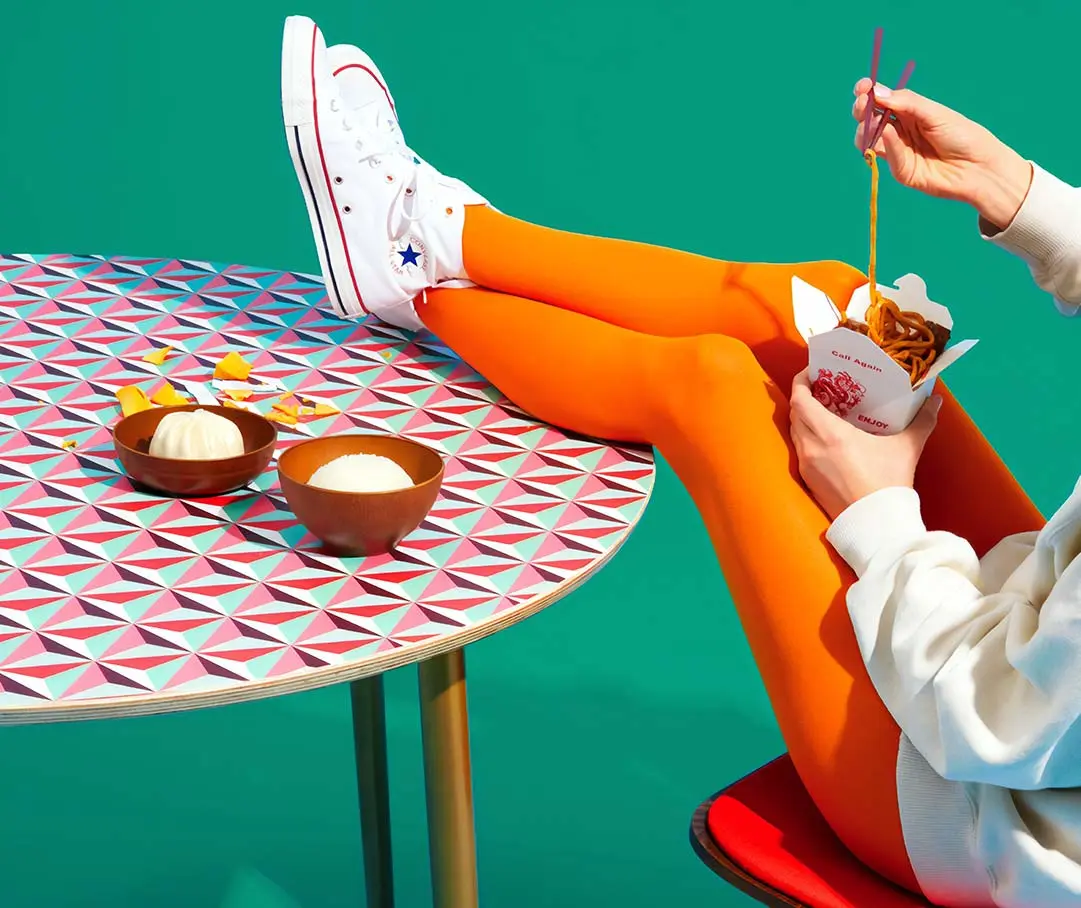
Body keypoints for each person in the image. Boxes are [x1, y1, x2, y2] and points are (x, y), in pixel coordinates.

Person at [280, 17, 1081, 905]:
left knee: (711, 388)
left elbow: (999, 723)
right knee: (821, 302)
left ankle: (411, 279)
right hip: (1034, 644)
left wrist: (880, 512)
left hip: (973, 807)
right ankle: (443, 236)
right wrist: (1023, 198)